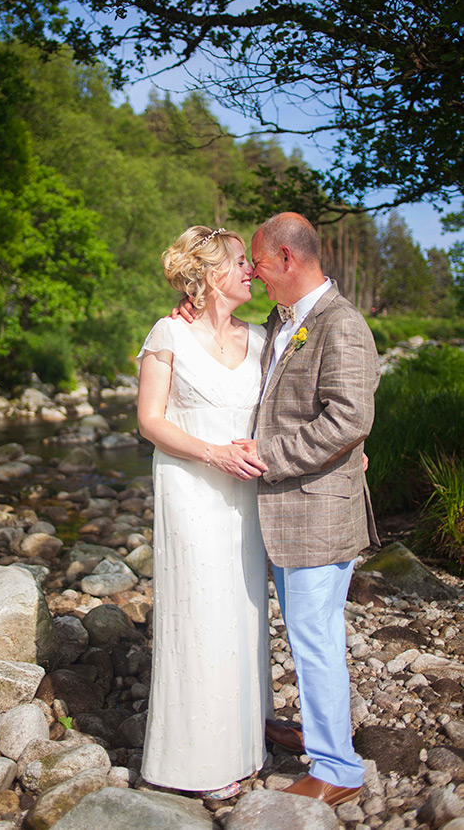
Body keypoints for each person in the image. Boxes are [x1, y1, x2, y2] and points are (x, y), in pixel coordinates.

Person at [198, 211, 380, 806]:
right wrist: (195, 315)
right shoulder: (285, 322)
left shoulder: (341, 324)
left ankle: (337, 769)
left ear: (286, 259)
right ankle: (315, 737)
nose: (252, 271)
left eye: (257, 260)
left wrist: (268, 456)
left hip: (318, 511)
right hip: (287, 512)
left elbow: (349, 417)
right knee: (305, 635)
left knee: (315, 636)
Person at [136, 225, 272, 800]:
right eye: (241, 262)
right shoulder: (168, 332)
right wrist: (213, 451)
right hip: (190, 490)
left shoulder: (266, 337)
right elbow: (150, 420)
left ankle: (245, 746)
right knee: (199, 615)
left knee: (242, 615)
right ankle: (192, 763)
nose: (252, 271)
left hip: (248, 496)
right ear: (212, 274)